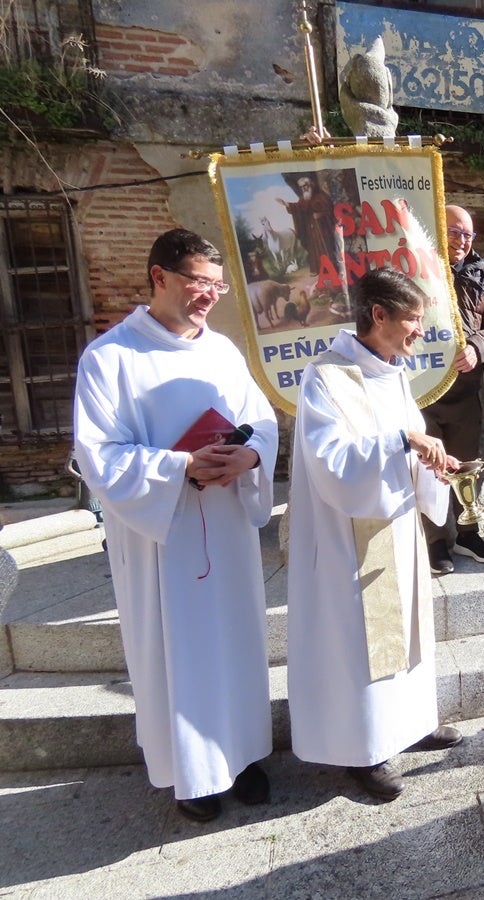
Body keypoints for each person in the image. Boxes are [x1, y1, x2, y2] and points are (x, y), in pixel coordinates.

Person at [73, 228, 279, 822]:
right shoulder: (110, 357)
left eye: (217, 285)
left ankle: (240, 757)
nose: (209, 295)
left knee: (236, 641)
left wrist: (250, 455)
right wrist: (178, 466)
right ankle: (191, 775)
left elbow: (258, 421)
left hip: (227, 524)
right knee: (177, 650)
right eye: (198, 282)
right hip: (162, 537)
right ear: (159, 277)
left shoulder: (222, 352)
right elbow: (99, 455)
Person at [286, 267, 463, 802]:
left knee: (407, 627)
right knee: (363, 642)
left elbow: (405, 447)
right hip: (350, 541)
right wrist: (401, 441)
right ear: (377, 315)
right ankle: (367, 749)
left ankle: (410, 721)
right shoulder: (326, 378)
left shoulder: (392, 372)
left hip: (398, 525)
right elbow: (332, 463)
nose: (420, 332)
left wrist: (430, 460)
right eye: (412, 320)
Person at [421, 205, 484, 575]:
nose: (461, 240)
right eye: (454, 232)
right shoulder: (414, 264)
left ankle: (468, 533)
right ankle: (437, 540)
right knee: (431, 467)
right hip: (422, 389)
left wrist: (479, 347)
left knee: (465, 463)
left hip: (465, 387)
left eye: (468, 234)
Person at [278, 174, 338, 274]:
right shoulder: (303, 200)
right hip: (311, 230)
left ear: (310, 185)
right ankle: (318, 270)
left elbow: (330, 210)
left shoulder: (320, 197)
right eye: (301, 187)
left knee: (325, 248)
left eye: (305, 186)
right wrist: (286, 204)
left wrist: (320, 214)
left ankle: (330, 270)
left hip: (323, 229)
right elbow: (298, 208)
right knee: (314, 250)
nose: (303, 189)